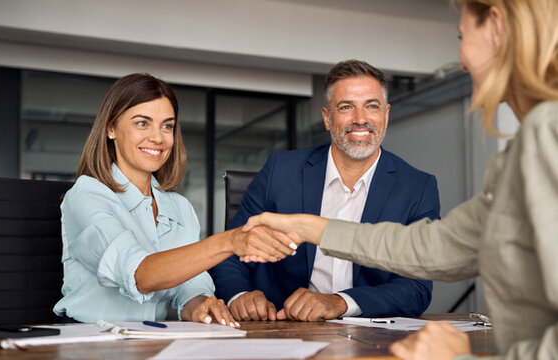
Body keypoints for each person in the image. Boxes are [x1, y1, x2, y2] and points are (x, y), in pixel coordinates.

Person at [240, 0, 558, 358]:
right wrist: (310, 228)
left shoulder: (548, 134)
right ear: (327, 117)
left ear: (497, 27)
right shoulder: (526, 146)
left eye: (461, 36)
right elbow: (439, 247)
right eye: (347, 107)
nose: (461, 58)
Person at [52, 73, 296, 326]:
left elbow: (190, 286)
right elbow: (139, 274)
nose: (158, 138)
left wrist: (200, 305)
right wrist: (230, 241)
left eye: (167, 126)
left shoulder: (179, 207)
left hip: (150, 340)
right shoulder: (87, 195)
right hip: (90, 341)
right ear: (110, 128)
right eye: (142, 123)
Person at [208, 60, 438, 322]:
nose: (360, 119)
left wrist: (340, 302)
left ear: (386, 114)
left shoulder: (417, 187)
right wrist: (240, 295)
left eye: (371, 106)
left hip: (368, 336)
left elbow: (417, 286)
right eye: (346, 107)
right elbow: (229, 251)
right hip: (281, 330)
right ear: (328, 118)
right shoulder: (279, 171)